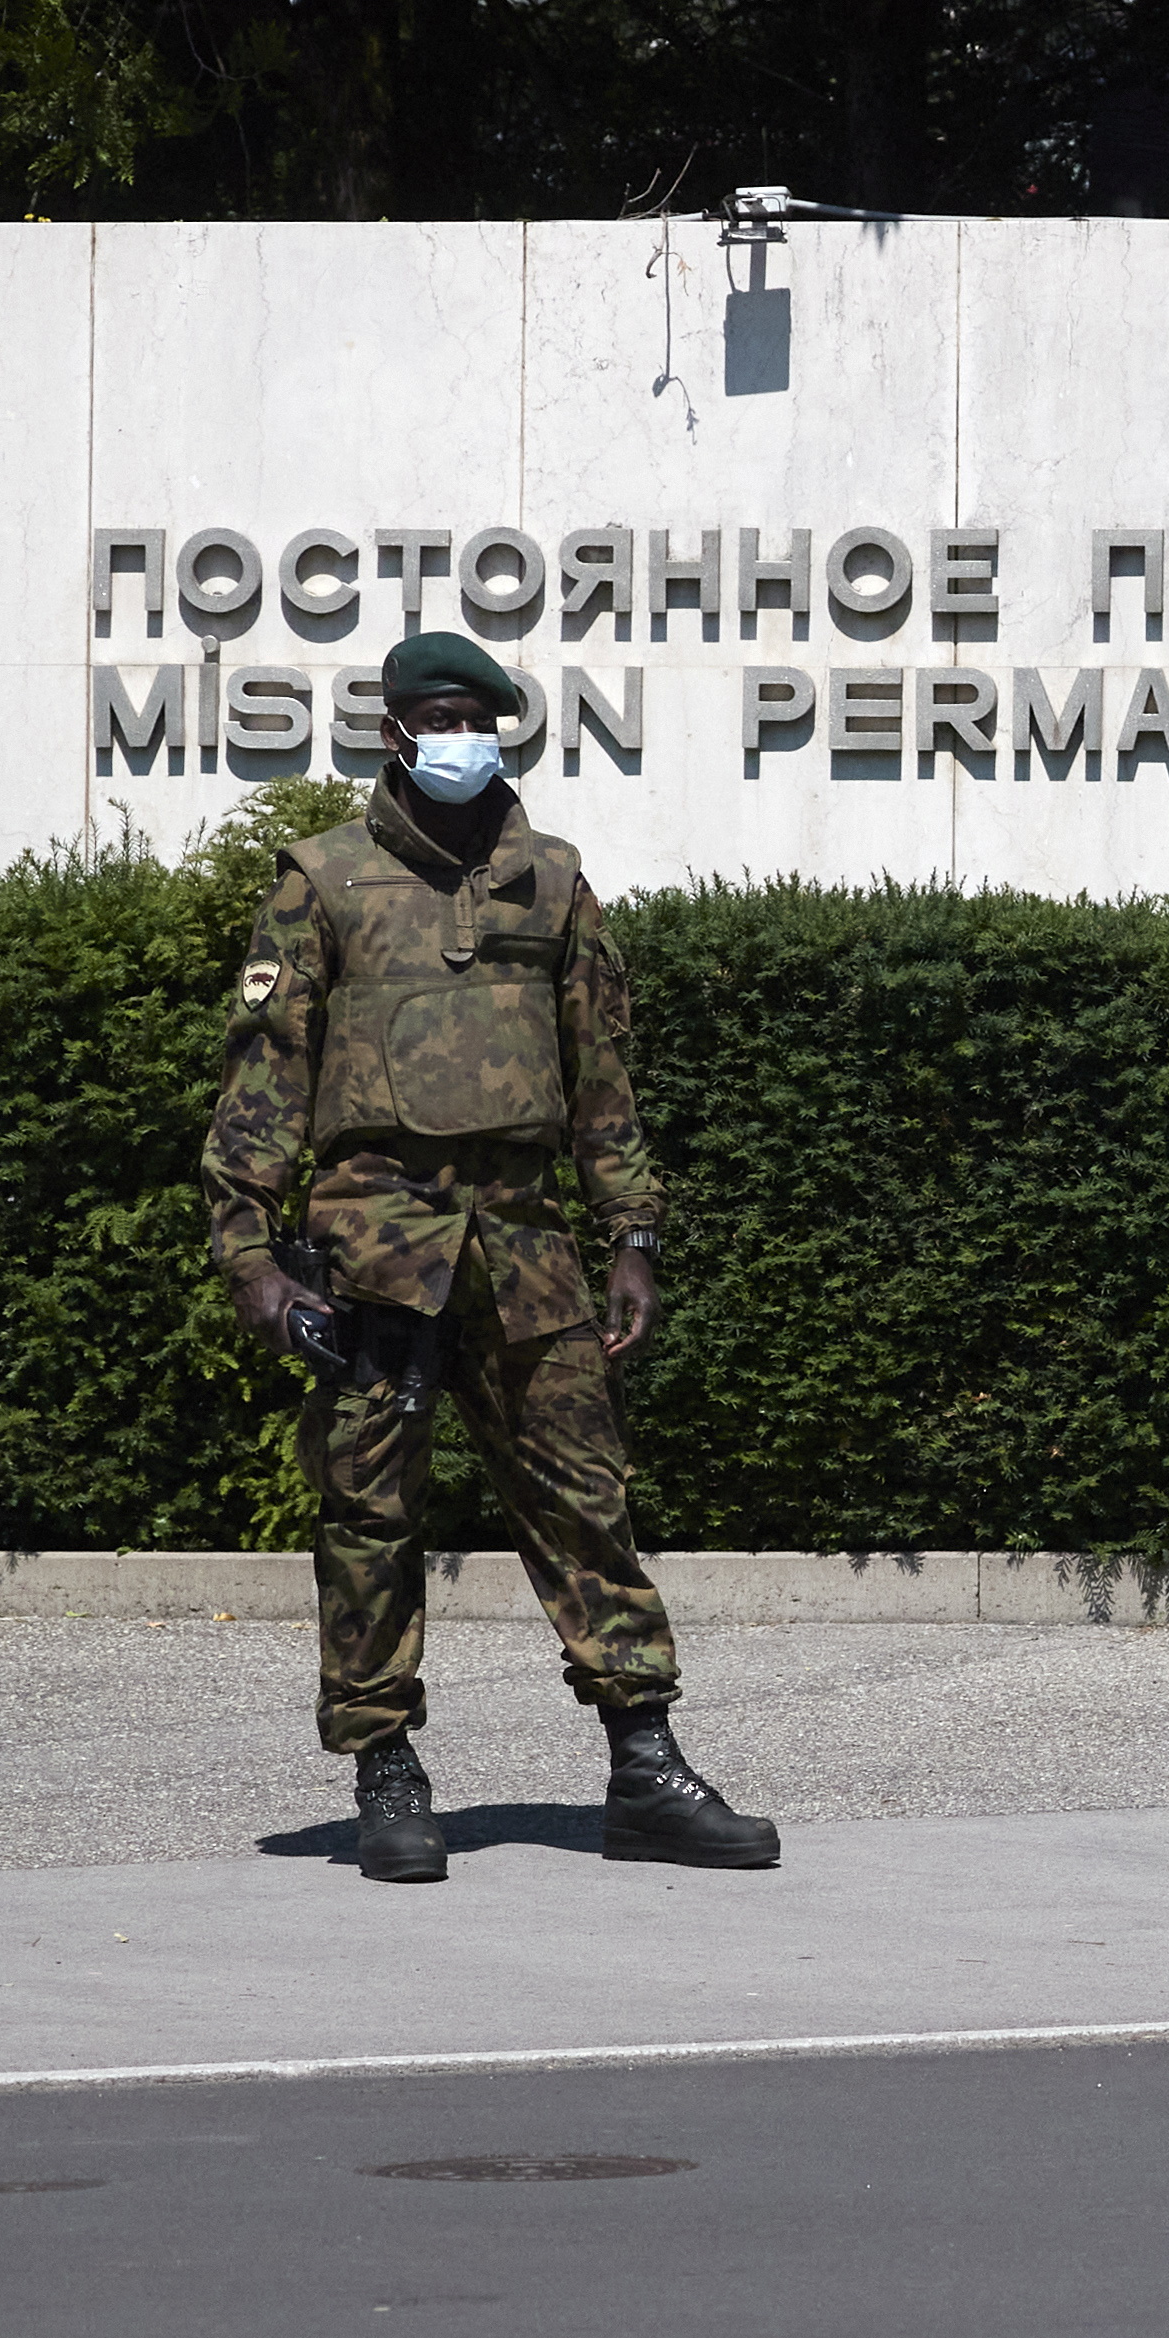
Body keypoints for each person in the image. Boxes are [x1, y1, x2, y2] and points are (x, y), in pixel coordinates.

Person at [202, 629, 778, 1882]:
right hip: (377, 1238)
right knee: (371, 1509)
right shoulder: (323, 881)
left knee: (585, 1497)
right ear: (396, 730)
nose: (463, 739)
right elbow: (265, 1081)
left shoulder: (552, 882)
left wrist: (632, 1232)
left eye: (483, 718)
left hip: (525, 1239)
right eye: (440, 716)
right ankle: (387, 1771)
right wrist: (252, 1256)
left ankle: (645, 1764)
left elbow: (601, 1079)